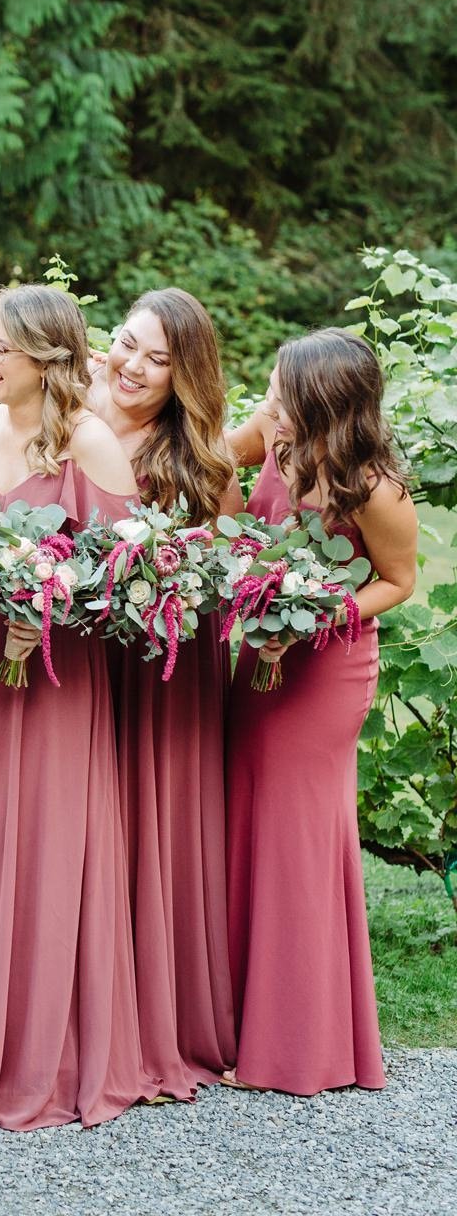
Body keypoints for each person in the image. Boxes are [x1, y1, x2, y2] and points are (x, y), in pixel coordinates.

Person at [0, 286, 159, 1129]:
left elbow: (130, 574)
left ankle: (55, 1055)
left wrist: (49, 609)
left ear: (45, 355)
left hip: (60, 675)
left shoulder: (89, 442)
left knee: (54, 841)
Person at [225, 328, 416, 1094]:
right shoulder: (273, 438)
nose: (267, 395)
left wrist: (314, 613)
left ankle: (298, 1047)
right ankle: (239, 1020)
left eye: (279, 384)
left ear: (321, 400)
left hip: (327, 671)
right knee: (250, 827)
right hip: (257, 663)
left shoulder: (376, 490)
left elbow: (397, 582)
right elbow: (206, 448)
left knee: (300, 843)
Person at [87, 289, 240, 1095]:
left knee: (146, 817)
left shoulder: (196, 457)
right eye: (127, 344)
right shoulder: (67, 408)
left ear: (185, 377)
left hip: (159, 663)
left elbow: (226, 557)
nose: (135, 368)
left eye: (159, 360)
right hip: (68, 649)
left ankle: (152, 1014)